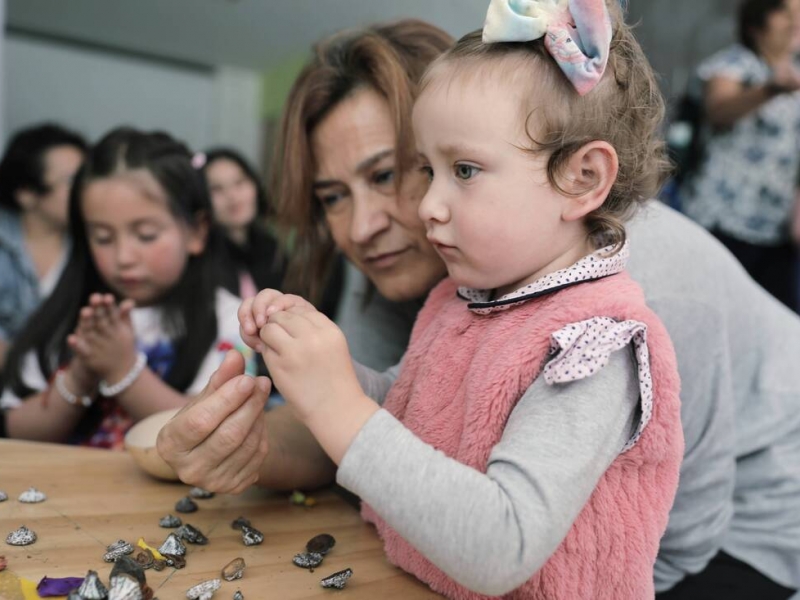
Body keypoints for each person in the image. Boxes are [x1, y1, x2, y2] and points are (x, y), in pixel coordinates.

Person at [157, 12, 800, 600]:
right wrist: (299, 385)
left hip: (750, 514)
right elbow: (405, 412)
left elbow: (675, 535)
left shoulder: (610, 320)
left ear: (578, 179)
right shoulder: (458, 281)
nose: (368, 226)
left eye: (394, 173)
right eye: (333, 197)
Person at [0, 127, 258, 448]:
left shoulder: (231, 322)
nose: (123, 257)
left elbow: (214, 435)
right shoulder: (71, 317)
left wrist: (123, 370)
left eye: (146, 235)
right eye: (103, 237)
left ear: (196, 231)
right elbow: (15, 430)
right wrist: (79, 376)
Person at [680, 0, 800, 311]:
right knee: (711, 308)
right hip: (724, 218)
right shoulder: (733, 64)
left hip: (775, 226)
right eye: (784, 13)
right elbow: (719, 111)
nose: (794, 21)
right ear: (756, 24)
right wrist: (769, 89)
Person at [0, 123, 87, 370]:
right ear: (26, 193)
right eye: (71, 180)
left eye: (86, 176)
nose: (84, 189)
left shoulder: (91, 244)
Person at [200, 148, 284, 299]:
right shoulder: (200, 262)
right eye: (216, 189)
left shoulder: (274, 252)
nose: (232, 195)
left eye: (239, 182)